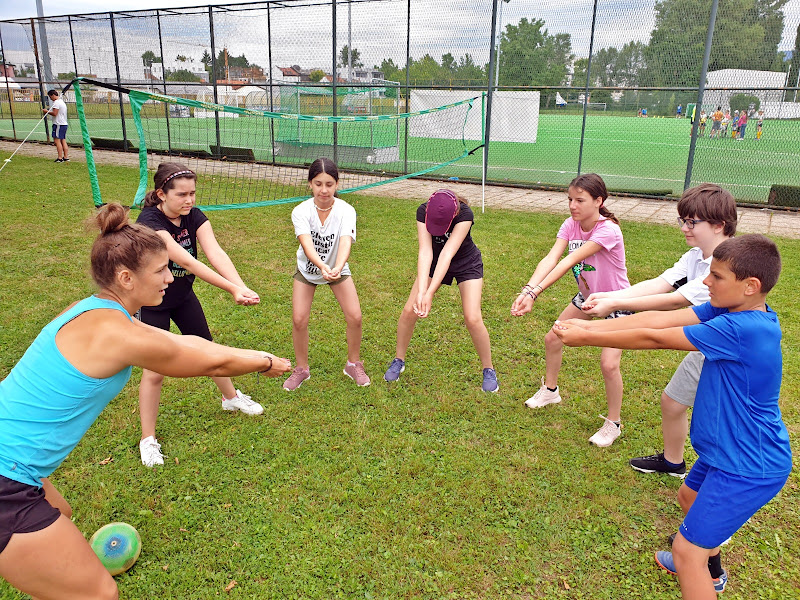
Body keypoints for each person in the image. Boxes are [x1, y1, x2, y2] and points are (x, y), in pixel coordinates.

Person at [0, 203, 290, 600]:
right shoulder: (114, 333)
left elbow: (182, 342)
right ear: (125, 277)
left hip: (14, 462)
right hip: (6, 477)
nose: (170, 278)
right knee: (101, 594)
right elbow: (206, 359)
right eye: (160, 270)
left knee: (62, 516)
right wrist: (266, 361)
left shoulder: (94, 311)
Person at [552, 234, 791, 599]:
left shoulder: (742, 329)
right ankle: (710, 571)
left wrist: (585, 337)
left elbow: (656, 338)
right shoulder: (731, 310)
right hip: (726, 451)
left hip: (748, 462)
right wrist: (591, 326)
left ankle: (699, 564)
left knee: (685, 550)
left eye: (717, 277)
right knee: (688, 497)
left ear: (750, 286)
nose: (706, 282)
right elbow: (657, 320)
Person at [581, 184, 737, 477]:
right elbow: (662, 282)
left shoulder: (726, 265)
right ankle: (673, 462)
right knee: (673, 402)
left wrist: (615, 302)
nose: (685, 228)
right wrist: (613, 296)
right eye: (683, 220)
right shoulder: (695, 255)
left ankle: (727, 479)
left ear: (719, 225)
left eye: (692, 222)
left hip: (728, 350)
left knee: (719, 418)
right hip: (702, 345)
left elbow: (678, 299)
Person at [135, 162, 263, 467]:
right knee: (155, 370)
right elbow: (190, 263)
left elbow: (215, 252)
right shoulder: (150, 222)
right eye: (181, 194)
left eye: (192, 193)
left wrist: (240, 285)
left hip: (181, 295)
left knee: (208, 349)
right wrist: (231, 290)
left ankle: (230, 398)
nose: (189, 200)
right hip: (154, 300)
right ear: (161, 194)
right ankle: (147, 439)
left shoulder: (194, 216)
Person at [510, 174, 630, 447]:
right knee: (553, 338)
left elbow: (569, 261)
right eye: (569, 199)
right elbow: (551, 258)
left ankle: (614, 424)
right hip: (586, 298)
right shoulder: (570, 225)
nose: (572, 206)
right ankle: (550, 391)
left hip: (616, 302)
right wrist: (528, 289)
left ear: (599, 201)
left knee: (609, 364)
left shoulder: (608, 229)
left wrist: (535, 293)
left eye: (580, 200)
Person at [383, 189, 499, 392]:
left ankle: (488, 369)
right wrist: (421, 292)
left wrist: (429, 294)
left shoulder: (465, 215)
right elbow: (425, 251)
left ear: (454, 214)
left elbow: (447, 254)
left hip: (465, 262)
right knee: (409, 309)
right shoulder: (422, 211)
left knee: (472, 317)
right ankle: (398, 359)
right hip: (434, 261)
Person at [283, 157, 370, 391]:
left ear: (337, 184)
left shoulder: (346, 210)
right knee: (299, 319)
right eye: (318, 183)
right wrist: (321, 266)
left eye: (329, 184)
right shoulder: (300, 211)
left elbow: (345, 241)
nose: (324, 190)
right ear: (310, 184)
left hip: (337, 268)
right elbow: (307, 243)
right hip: (309, 269)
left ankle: (353, 364)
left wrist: (338, 266)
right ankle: (301, 369)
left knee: (355, 317)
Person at [42, 89, 69, 163]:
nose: (50, 99)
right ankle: (65, 157)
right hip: (63, 124)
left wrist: (46, 112)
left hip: (58, 124)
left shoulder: (56, 103)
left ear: (53, 95)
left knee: (57, 141)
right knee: (63, 140)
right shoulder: (61, 102)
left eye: (50, 97)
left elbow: (55, 113)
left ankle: (60, 158)